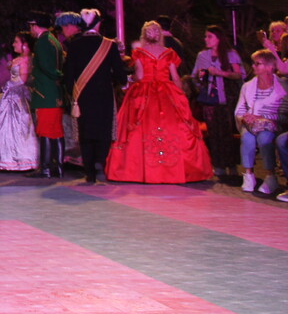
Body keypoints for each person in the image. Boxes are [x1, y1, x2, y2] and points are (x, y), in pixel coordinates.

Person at [105, 20, 211, 184]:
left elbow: (140, 76)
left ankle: (140, 171)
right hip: (167, 92)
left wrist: (131, 79)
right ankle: (173, 170)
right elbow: (175, 77)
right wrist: (180, 95)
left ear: (144, 35)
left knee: (138, 127)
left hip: (144, 93)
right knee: (175, 126)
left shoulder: (139, 52)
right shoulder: (168, 53)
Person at [60, 11, 127, 184]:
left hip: (82, 95)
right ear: (97, 24)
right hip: (104, 95)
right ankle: (100, 162)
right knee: (103, 131)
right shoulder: (109, 45)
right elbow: (120, 73)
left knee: (85, 134)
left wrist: (71, 94)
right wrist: (122, 82)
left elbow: (68, 74)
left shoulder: (74, 45)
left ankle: (89, 172)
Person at [189, 24, 244, 178]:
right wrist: (200, 76)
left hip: (227, 96)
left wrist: (220, 73)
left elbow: (238, 74)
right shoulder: (202, 55)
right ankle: (218, 164)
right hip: (210, 97)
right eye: (206, 36)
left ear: (218, 38)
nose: (206, 39)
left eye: (209, 36)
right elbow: (195, 76)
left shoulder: (230, 54)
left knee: (227, 131)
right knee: (213, 132)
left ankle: (231, 164)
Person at [0, 32, 39, 172]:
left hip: (18, 96)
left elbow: (22, 81)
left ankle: (20, 159)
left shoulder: (26, 60)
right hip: (12, 94)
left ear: (25, 44)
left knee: (19, 125)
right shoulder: (21, 59)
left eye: (16, 42)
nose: (13, 44)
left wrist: (8, 86)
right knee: (4, 125)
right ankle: (5, 158)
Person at [234, 50, 287, 195]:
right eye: (253, 63)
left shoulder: (283, 86)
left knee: (265, 138)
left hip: (272, 124)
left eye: (258, 64)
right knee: (247, 137)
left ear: (270, 67)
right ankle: (248, 174)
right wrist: (245, 118)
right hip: (251, 125)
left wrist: (262, 117)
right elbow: (240, 109)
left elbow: (284, 115)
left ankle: (270, 176)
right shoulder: (247, 86)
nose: (253, 66)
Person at [26, 12, 65, 178]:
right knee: (56, 130)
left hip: (45, 92)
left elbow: (46, 67)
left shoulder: (42, 42)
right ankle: (58, 168)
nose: (30, 29)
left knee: (45, 130)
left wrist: (59, 77)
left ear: (35, 26)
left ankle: (46, 168)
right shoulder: (53, 40)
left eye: (31, 26)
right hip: (54, 92)